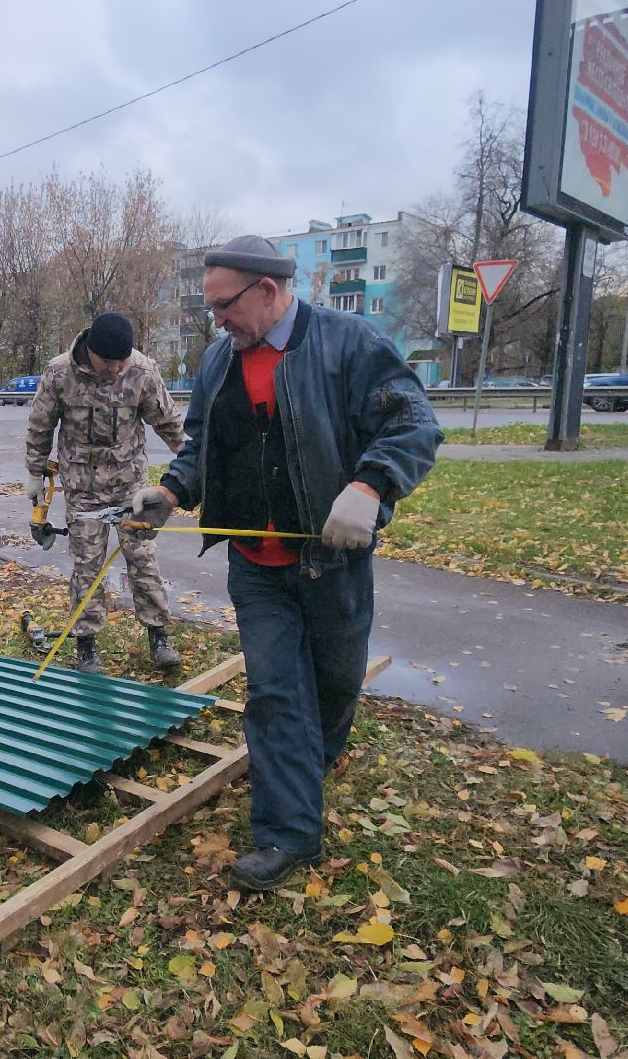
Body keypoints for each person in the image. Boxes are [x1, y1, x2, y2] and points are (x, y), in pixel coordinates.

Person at [128, 235, 441, 890]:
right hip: (255, 566)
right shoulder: (220, 361)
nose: (216, 321)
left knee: (334, 685)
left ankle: (316, 756)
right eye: (210, 309)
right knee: (274, 693)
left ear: (267, 291)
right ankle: (287, 834)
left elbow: (413, 424)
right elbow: (204, 448)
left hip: (331, 563)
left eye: (224, 306)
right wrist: (172, 490)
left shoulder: (348, 343)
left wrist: (370, 485)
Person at [25, 312, 188, 673]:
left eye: (122, 361)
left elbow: (170, 423)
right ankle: (87, 646)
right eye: (108, 362)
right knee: (88, 566)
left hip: (131, 486)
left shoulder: (143, 371)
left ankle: (159, 637)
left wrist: (195, 466)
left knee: (142, 559)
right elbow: (40, 425)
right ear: (90, 352)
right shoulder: (58, 373)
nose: (116, 369)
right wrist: (35, 473)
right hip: (83, 489)